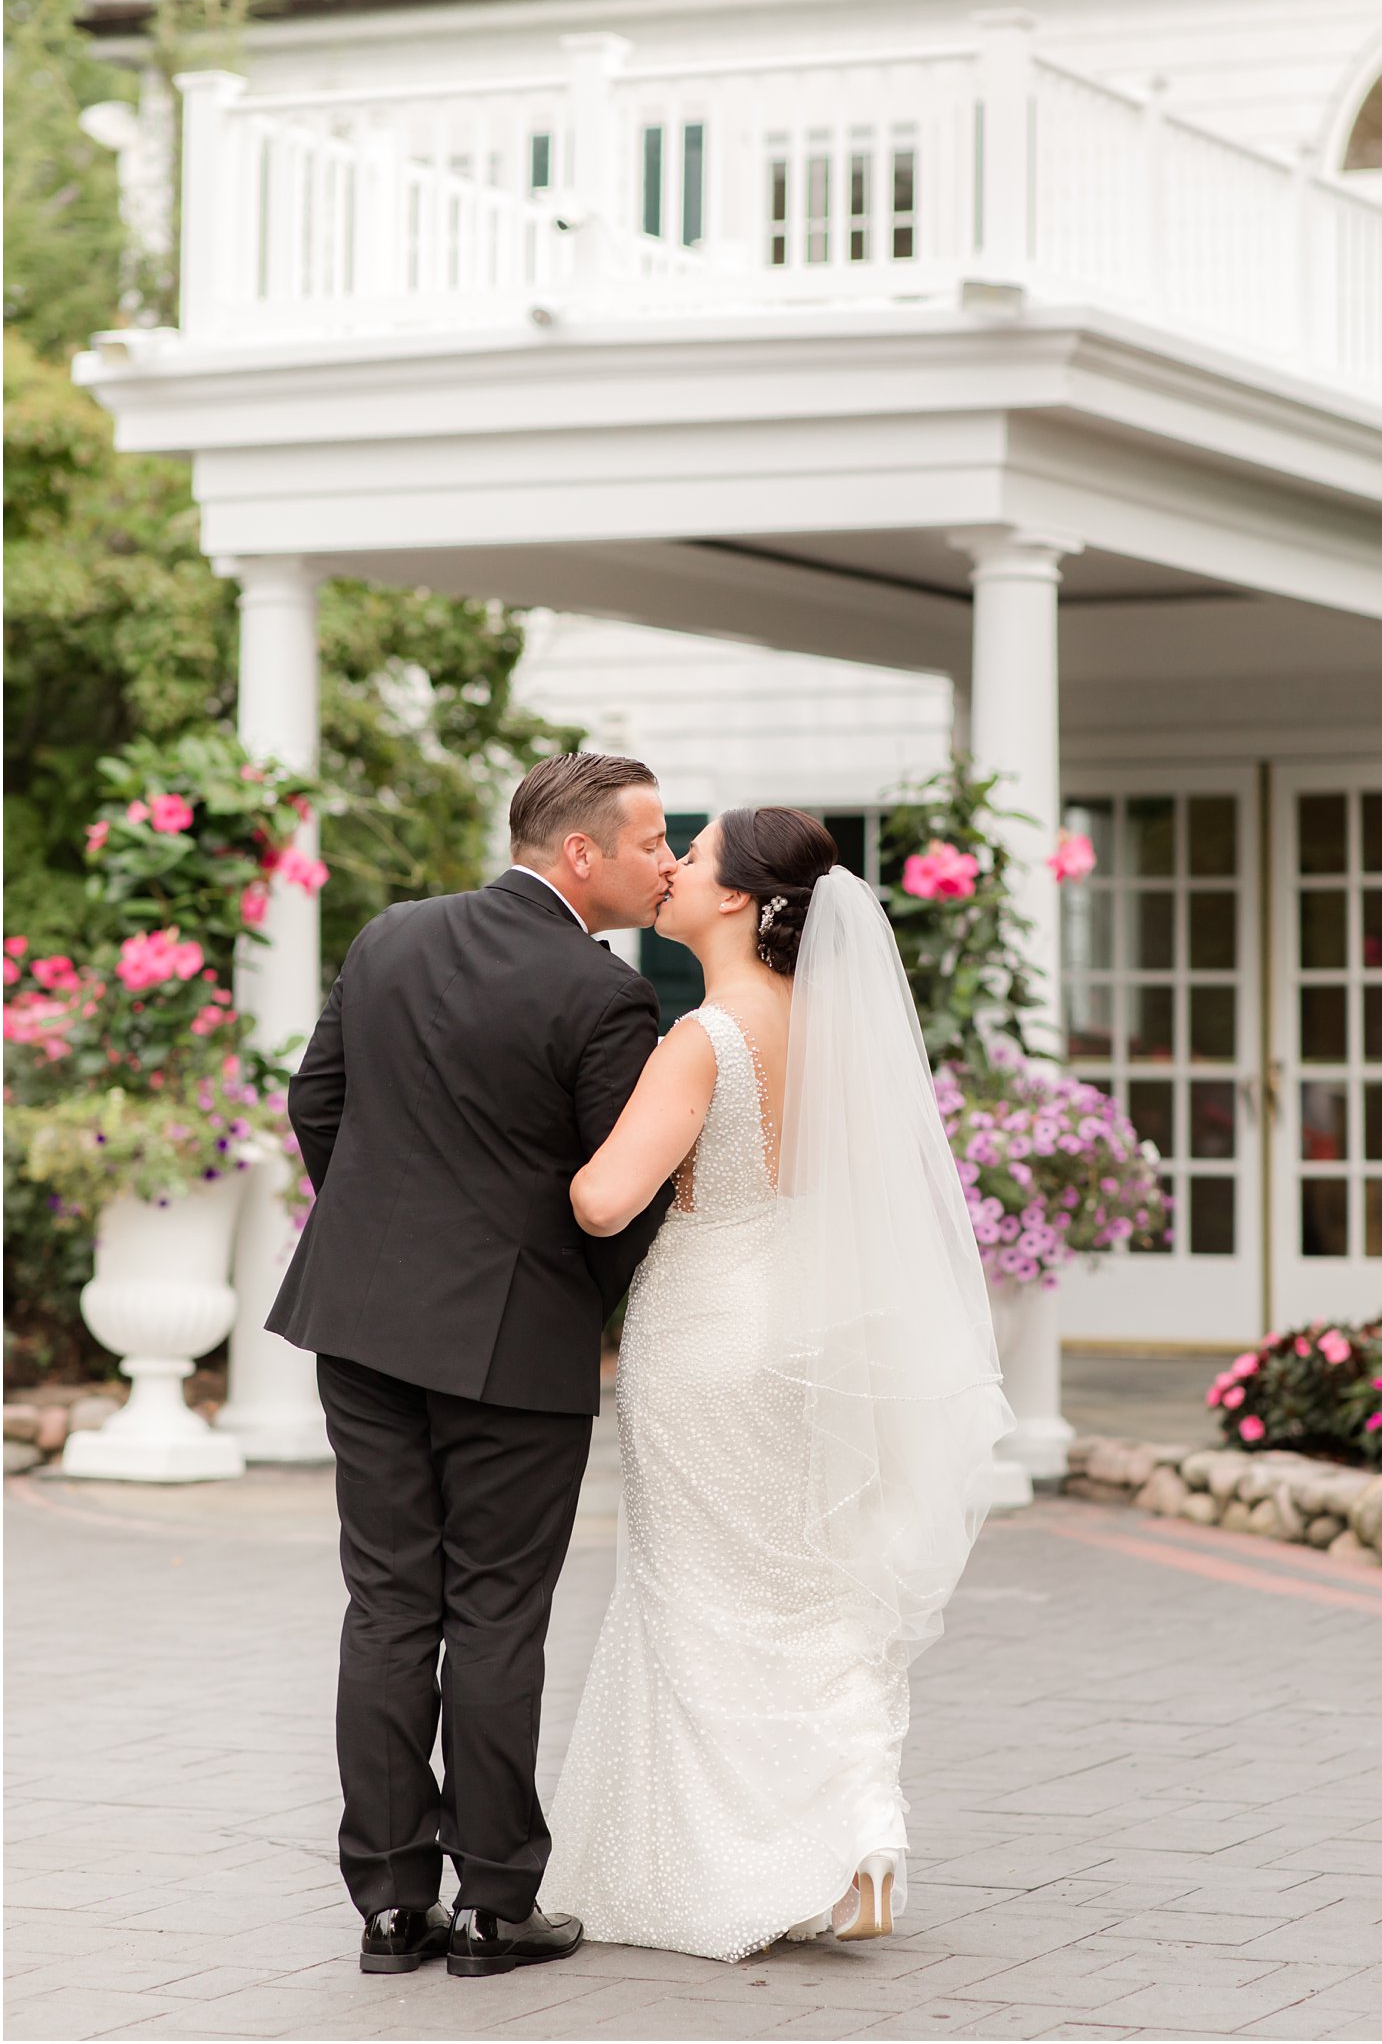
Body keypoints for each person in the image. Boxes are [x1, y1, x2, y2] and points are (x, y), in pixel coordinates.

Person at [541, 808, 1014, 1962]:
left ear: (744, 900)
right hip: (804, 1331)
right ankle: (856, 1830)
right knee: (801, 1585)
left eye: (691, 858)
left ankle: (736, 1865)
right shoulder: (830, 1031)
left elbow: (604, 1200)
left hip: (705, 1336)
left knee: (699, 1595)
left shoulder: (706, 1035)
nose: (670, 872)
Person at [268, 753, 677, 1979]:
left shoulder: (389, 936)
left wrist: (380, 1247)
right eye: (654, 841)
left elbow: (315, 1106)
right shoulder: (602, 998)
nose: (668, 861)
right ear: (579, 855)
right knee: (496, 1613)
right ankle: (498, 1906)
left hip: (361, 1325)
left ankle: (391, 1907)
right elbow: (626, 1201)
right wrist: (573, 1309)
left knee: (390, 1605)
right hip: (512, 1343)